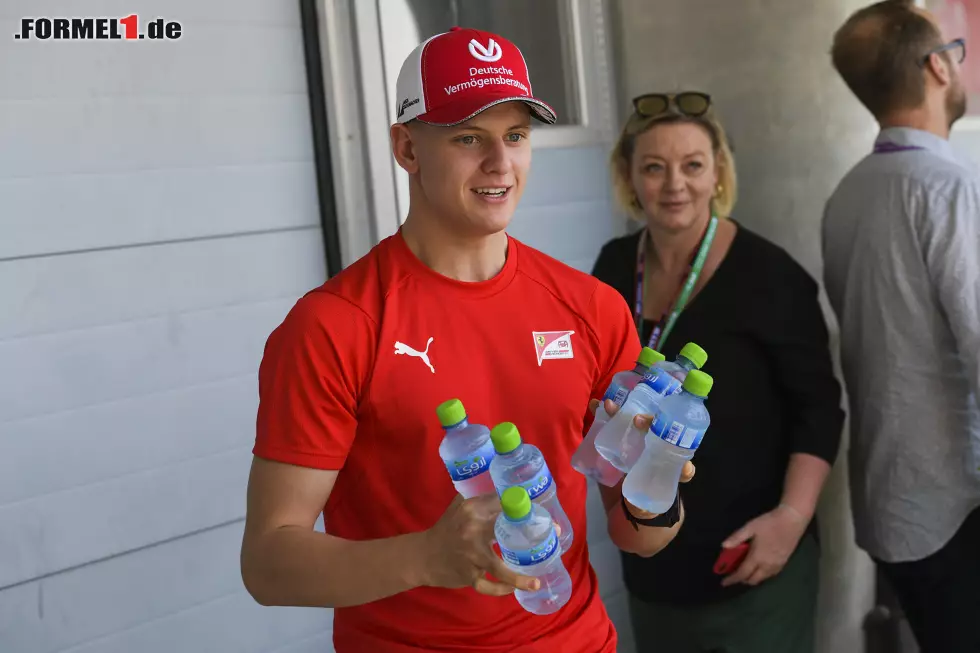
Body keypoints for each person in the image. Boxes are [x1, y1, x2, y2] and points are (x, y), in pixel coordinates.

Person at [239, 27, 693, 653]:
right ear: (406, 148)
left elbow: (636, 533)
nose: (499, 164)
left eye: (515, 136)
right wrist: (427, 555)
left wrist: (655, 492)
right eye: (467, 137)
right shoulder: (334, 326)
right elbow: (267, 563)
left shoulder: (590, 308)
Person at [591, 91, 844, 653]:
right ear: (629, 178)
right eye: (653, 167)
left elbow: (820, 411)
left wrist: (791, 518)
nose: (674, 184)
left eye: (692, 165)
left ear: (718, 173)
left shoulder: (771, 275)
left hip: (752, 559)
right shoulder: (610, 267)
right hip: (652, 556)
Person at [824, 2, 980, 651]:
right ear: (936, 66)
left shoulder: (848, 194)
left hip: (893, 498)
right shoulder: (944, 187)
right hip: (956, 506)